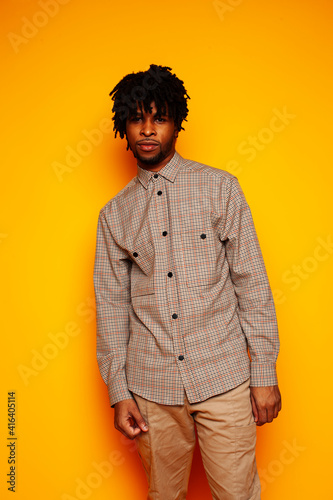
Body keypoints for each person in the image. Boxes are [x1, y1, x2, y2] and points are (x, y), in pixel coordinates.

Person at [94, 64, 281, 500]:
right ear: (125, 126)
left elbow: (251, 282)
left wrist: (264, 371)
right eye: (137, 118)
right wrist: (119, 391)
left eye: (158, 118)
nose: (147, 129)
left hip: (224, 376)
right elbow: (110, 308)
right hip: (151, 389)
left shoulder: (220, 188)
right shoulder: (114, 215)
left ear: (177, 123)